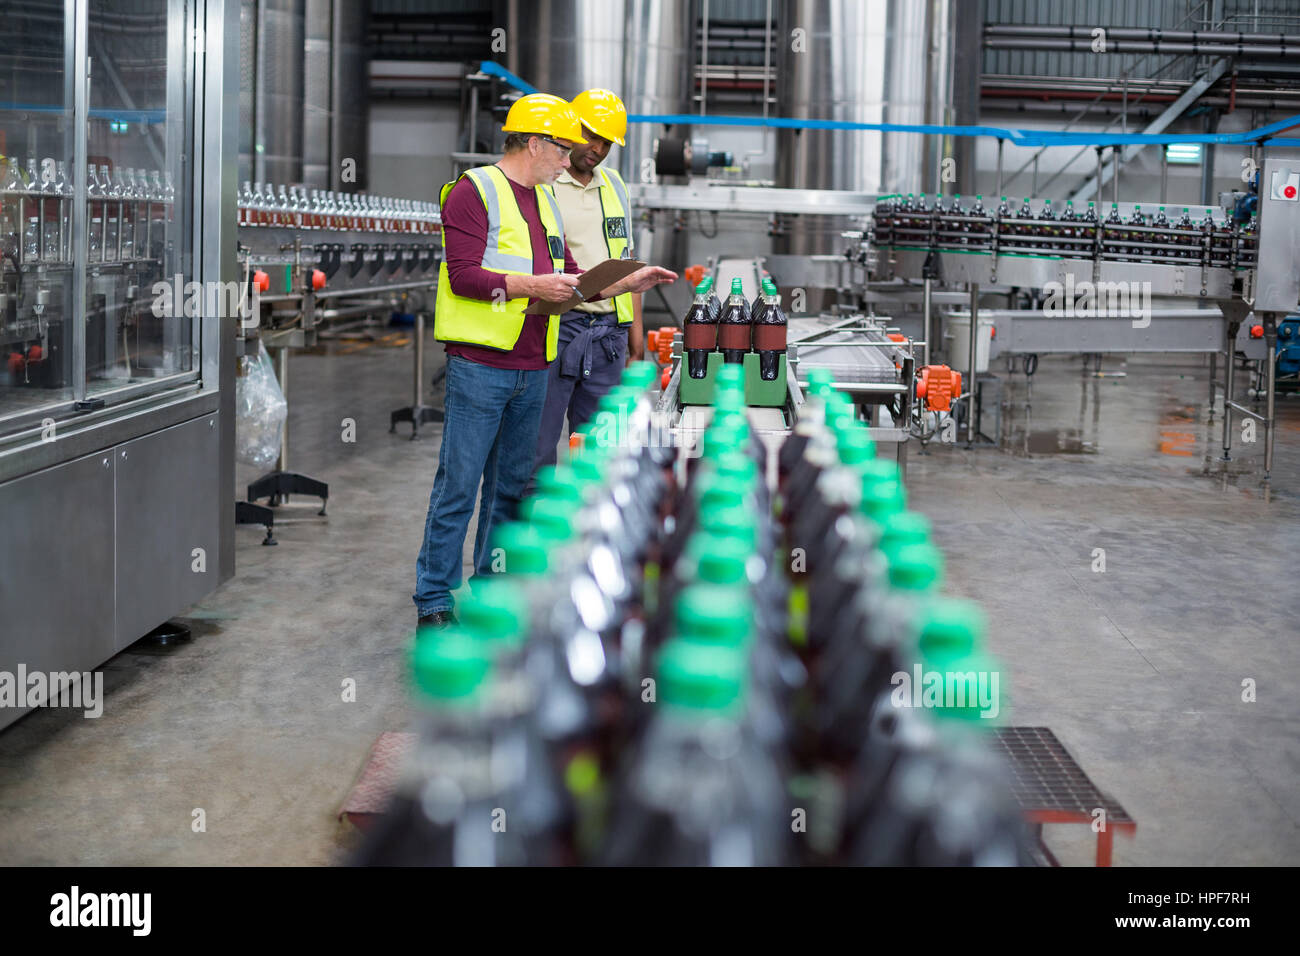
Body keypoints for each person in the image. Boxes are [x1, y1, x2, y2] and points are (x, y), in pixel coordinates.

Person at [414, 93, 676, 630]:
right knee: (459, 485)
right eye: (561, 149)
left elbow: (575, 277)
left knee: (511, 485)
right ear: (534, 143)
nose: (568, 160)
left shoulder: (545, 200)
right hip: (482, 365)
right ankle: (435, 599)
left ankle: (493, 587)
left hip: (535, 361)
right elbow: (463, 276)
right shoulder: (474, 192)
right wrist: (529, 285)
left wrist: (630, 281)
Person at [533, 88, 643, 473]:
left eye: (607, 142)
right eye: (590, 135)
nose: (596, 147)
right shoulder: (544, 183)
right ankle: (539, 526)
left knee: (599, 452)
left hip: (608, 338)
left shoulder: (614, 185)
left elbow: (626, 262)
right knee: (538, 448)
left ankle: (590, 528)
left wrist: (636, 336)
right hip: (557, 329)